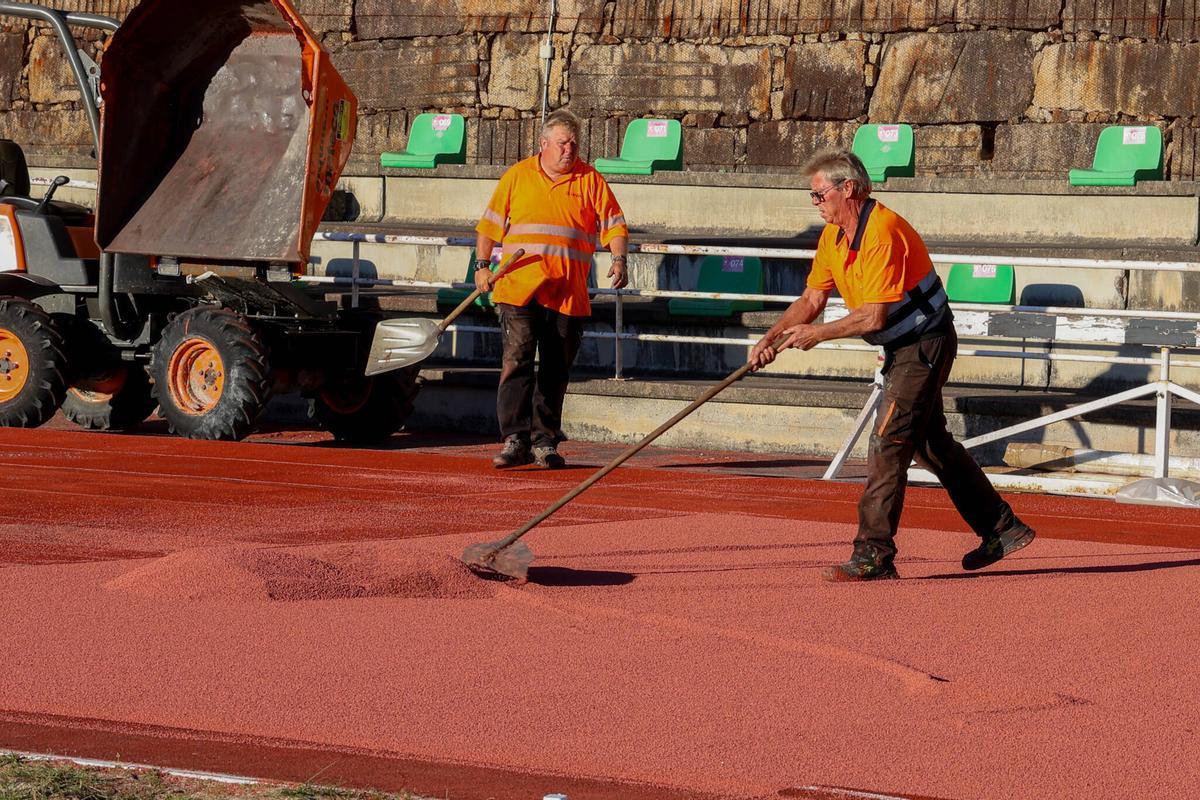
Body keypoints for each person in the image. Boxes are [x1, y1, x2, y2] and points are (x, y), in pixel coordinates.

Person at [749, 148, 1035, 581]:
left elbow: (872, 316)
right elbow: (812, 299)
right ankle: (1002, 527)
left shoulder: (881, 232)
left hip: (924, 345)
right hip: (902, 350)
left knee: (888, 443)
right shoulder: (833, 236)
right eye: (813, 196)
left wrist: (817, 335)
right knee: (930, 445)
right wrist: (772, 338)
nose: (816, 203)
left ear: (849, 189)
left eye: (819, 195)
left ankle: (873, 556)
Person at [475, 109, 629, 469]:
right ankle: (515, 438)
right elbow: (489, 226)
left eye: (574, 143)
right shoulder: (518, 176)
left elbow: (615, 226)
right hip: (519, 289)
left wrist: (619, 260)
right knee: (518, 359)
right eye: (562, 143)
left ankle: (544, 441)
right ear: (544, 145)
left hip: (567, 292)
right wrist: (482, 266)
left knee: (556, 369)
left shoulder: (590, 180)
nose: (569, 150)